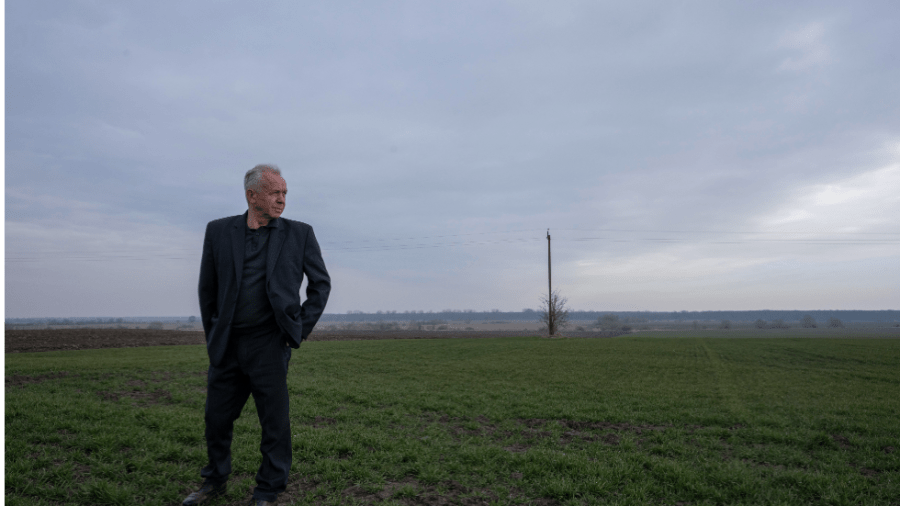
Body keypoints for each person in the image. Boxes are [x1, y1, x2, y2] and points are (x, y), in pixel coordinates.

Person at [185, 164, 331, 506]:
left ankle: (267, 490)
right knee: (216, 418)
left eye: (284, 194)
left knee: (274, 423)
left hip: (270, 343)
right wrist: (214, 335)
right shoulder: (219, 231)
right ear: (252, 196)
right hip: (228, 344)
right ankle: (214, 482)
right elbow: (207, 290)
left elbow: (320, 285)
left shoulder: (300, 233)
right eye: (274, 193)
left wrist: (296, 329)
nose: (281, 200)